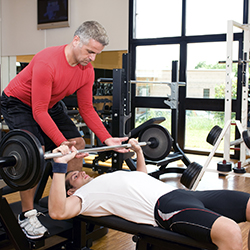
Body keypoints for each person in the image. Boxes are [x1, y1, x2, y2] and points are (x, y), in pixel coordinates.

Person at [0, 20, 129, 239]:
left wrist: (106, 139)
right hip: (18, 101)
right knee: (35, 150)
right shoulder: (47, 61)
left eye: (97, 53)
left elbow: (87, 108)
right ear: (76, 40)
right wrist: (61, 143)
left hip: (50, 103)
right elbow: (38, 111)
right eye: (90, 51)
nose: (92, 58)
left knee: (78, 142)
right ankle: (27, 214)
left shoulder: (87, 70)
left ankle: (71, 195)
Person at [48, 139, 250, 250]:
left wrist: (139, 152)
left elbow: (142, 177)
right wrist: (59, 165)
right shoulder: (86, 196)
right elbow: (58, 211)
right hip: (166, 207)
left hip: (182, 194)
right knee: (230, 231)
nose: (81, 172)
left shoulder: (106, 177)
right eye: (74, 176)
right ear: (71, 191)